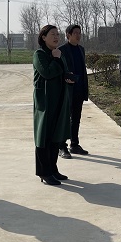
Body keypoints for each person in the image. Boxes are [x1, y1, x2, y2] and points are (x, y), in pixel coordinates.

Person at [33, 25, 74, 185]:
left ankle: (53, 169)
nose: (56, 37)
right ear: (43, 37)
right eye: (52, 34)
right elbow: (47, 72)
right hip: (45, 102)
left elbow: (63, 71)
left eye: (57, 34)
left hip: (59, 99)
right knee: (44, 136)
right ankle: (44, 172)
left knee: (56, 136)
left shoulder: (58, 53)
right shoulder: (40, 54)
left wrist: (69, 77)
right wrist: (56, 59)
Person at [58, 24, 89, 159]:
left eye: (79, 33)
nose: (78, 35)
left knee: (76, 118)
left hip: (79, 89)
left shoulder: (81, 49)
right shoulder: (61, 50)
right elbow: (58, 70)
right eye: (75, 33)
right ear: (68, 35)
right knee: (65, 119)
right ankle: (61, 146)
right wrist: (65, 77)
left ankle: (74, 144)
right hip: (66, 90)